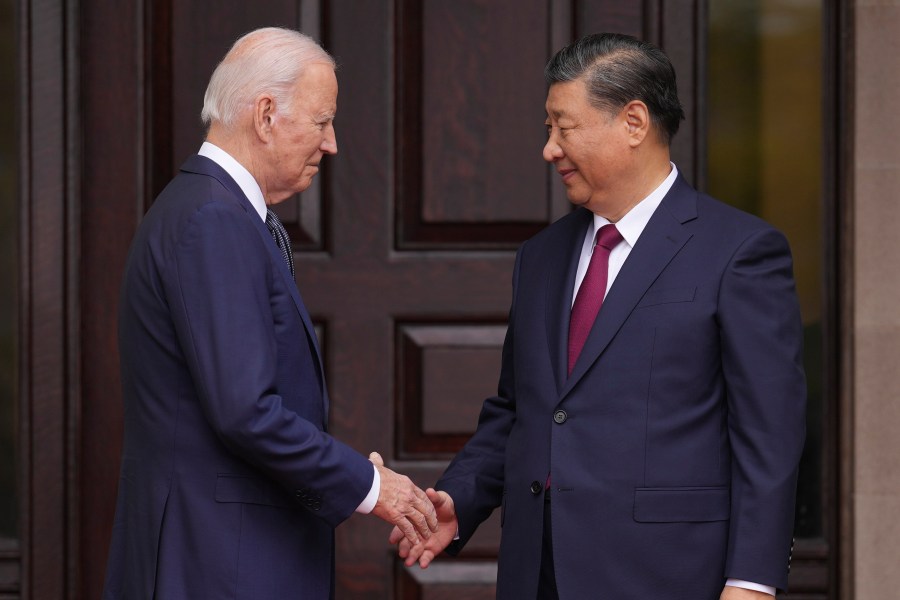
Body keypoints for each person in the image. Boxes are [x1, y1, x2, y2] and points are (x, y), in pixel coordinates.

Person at [390, 33, 806, 599]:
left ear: (633, 122)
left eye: (564, 127)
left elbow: (769, 438)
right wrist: (459, 501)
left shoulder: (738, 252)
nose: (549, 149)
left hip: (669, 577)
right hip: (538, 576)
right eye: (547, 129)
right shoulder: (540, 257)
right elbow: (519, 411)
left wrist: (753, 582)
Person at [103, 27, 437, 599]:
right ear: (265, 115)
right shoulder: (215, 220)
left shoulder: (208, 208)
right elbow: (245, 411)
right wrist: (369, 484)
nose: (331, 143)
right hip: (218, 561)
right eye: (322, 120)